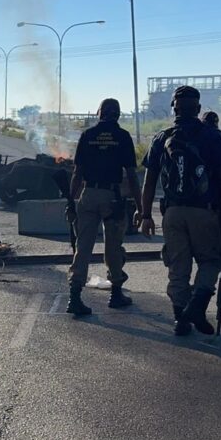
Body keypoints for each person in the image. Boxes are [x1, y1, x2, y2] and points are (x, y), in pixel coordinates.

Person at [136, 85, 221, 336]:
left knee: (177, 266)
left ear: (174, 108)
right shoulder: (212, 136)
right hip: (204, 211)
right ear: (199, 109)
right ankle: (198, 304)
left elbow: (149, 181)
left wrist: (146, 215)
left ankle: (180, 318)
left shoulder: (162, 137)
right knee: (211, 260)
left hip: (172, 213)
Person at [64, 97, 141, 317]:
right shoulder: (123, 137)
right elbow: (132, 176)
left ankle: (74, 296)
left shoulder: (87, 136)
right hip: (112, 197)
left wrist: (71, 202)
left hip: (88, 195)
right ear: (117, 114)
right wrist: (140, 207)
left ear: (99, 113)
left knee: (83, 246)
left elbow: (77, 173)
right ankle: (116, 294)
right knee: (113, 247)